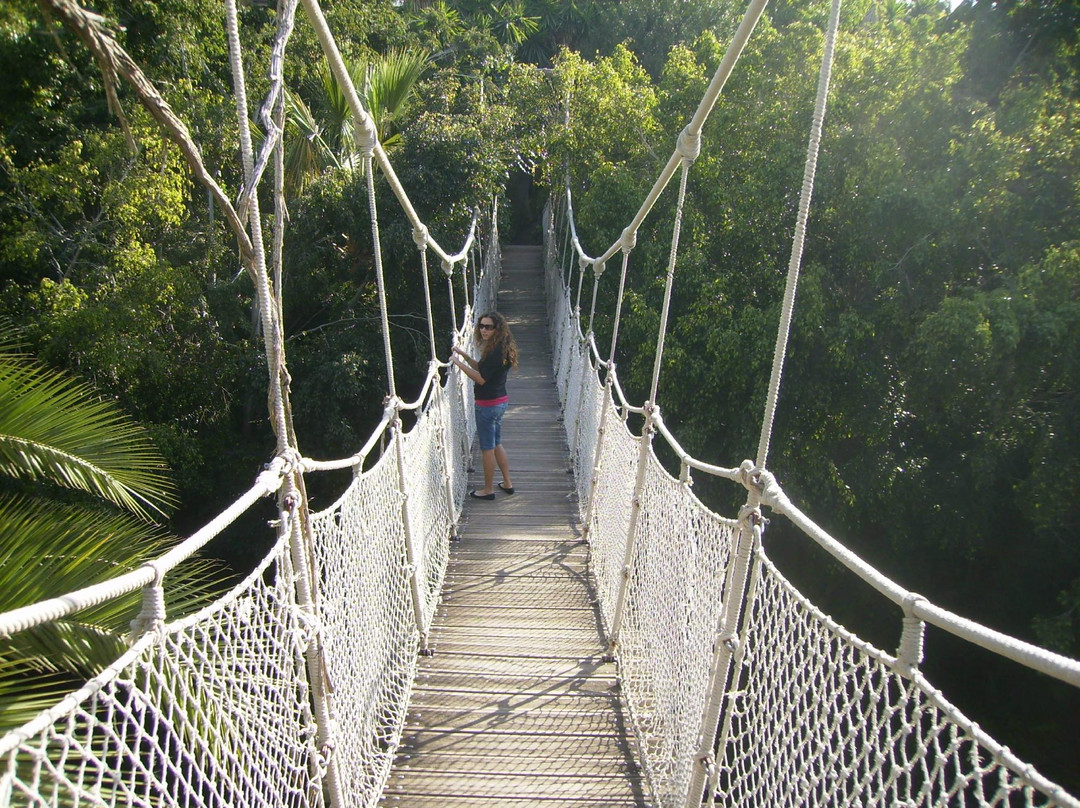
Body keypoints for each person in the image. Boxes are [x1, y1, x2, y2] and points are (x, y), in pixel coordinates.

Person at [451, 311, 518, 500]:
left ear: (497, 329)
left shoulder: (495, 351)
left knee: (487, 448)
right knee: (496, 444)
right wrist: (463, 355)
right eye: (481, 326)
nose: (484, 330)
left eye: (488, 327)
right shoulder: (498, 347)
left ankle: (488, 489)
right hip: (499, 402)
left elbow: (481, 379)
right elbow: (482, 368)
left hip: (487, 406)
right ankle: (507, 483)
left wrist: (458, 364)